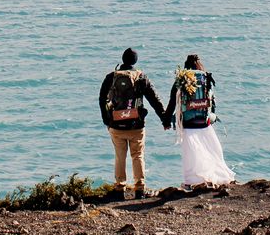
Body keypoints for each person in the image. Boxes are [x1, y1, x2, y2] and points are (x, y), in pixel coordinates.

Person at [98, 47, 167, 199]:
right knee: (138, 155)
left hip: (116, 124)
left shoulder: (111, 77)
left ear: (122, 60)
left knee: (119, 156)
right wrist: (164, 118)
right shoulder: (141, 77)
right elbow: (154, 99)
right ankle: (140, 188)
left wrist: (107, 120)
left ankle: (119, 188)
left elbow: (102, 99)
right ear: (135, 61)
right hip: (136, 125)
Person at [164, 53, 236, 188]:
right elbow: (212, 101)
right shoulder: (206, 78)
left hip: (188, 123)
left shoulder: (181, 79)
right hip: (204, 122)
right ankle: (216, 176)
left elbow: (172, 102)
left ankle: (192, 181)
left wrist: (166, 121)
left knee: (191, 154)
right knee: (211, 150)